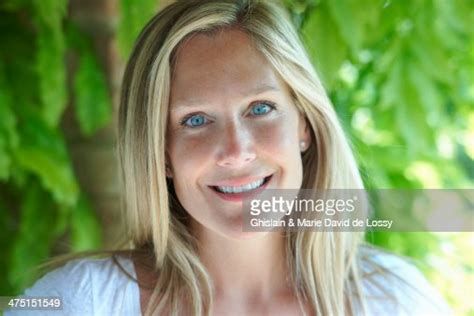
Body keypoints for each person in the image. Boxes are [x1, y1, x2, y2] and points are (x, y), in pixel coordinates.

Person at [6, 0, 451, 315]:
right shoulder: (78, 302)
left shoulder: (395, 300)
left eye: (260, 109)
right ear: (160, 152)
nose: (237, 151)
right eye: (196, 120)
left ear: (304, 125)